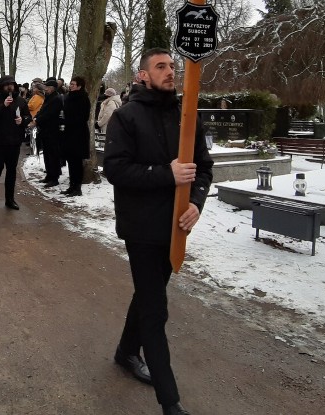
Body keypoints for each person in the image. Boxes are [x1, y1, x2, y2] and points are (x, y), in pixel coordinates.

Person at [102, 48, 213, 415]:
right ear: (143, 75)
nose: (170, 72)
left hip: (176, 228)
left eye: (172, 66)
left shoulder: (188, 115)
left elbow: (204, 167)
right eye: (161, 67)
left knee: (149, 295)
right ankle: (171, 402)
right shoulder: (125, 116)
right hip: (141, 228)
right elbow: (115, 170)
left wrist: (196, 202)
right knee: (155, 310)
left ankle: (125, 352)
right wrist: (166, 174)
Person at [0, 75, 32, 209]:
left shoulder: (21, 101)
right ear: (2, 86)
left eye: (12, 84)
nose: (10, 87)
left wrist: (23, 120)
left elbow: (28, 116)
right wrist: (3, 106)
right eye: (7, 85)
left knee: (11, 170)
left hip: (15, 140)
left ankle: (9, 199)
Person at [61, 76, 91, 197]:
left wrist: (69, 121)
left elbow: (83, 117)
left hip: (78, 134)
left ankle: (77, 187)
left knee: (77, 162)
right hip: (69, 133)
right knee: (70, 161)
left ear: (79, 86)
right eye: (70, 84)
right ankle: (72, 186)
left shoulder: (83, 98)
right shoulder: (69, 97)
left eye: (73, 84)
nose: (70, 86)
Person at [32, 78, 63, 187]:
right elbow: (42, 110)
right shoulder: (49, 98)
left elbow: (49, 114)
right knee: (47, 153)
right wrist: (35, 118)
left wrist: (37, 121)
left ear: (52, 88)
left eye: (47, 87)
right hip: (45, 130)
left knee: (53, 154)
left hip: (52, 130)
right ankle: (49, 175)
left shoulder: (57, 99)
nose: (45, 89)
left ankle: (54, 177)